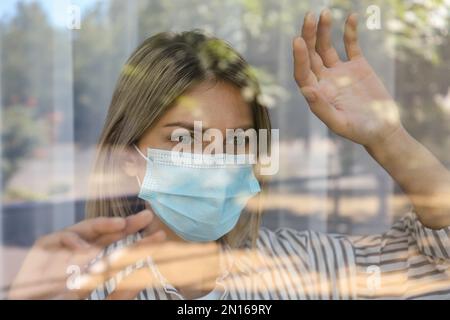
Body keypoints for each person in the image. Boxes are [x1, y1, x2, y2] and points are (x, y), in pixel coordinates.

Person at [8, 9, 450, 300]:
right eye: (184, 139)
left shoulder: (304, 267)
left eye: (237, 141)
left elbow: (436, 265)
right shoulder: (82, 285)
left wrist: (388, 136)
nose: (216, 163)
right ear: (129, 159)